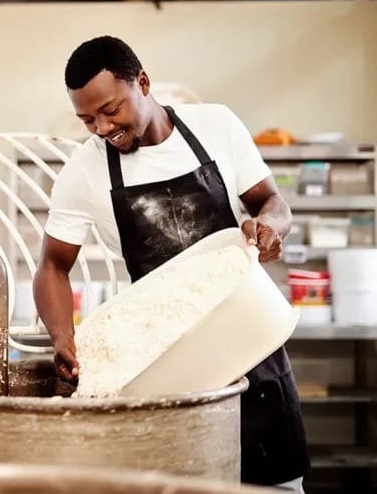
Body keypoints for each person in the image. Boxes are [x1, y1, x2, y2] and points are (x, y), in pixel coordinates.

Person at [32, 35, 310, 492]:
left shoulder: (216, 125)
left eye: (111, 110)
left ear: (142, 82)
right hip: (167, 365)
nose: (102, 129)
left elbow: (271, 202)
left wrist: (269, 228)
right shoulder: (83, 172)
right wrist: (62, 336)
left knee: (276, 483)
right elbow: (52, 266)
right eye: (88, 120)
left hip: (250, 347)